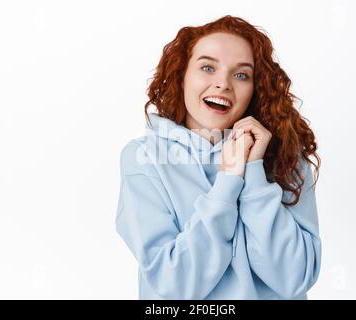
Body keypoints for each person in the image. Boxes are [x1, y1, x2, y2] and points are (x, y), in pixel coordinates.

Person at [115, 15, 322, 300]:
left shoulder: (286, 155)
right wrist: (227, 183)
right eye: (208, 67)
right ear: (182, 75)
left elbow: (294, 278)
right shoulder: (144, 158)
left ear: (255, 90)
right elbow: (176, 285)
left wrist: (253, 173)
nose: (223, 84)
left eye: (241, 74)